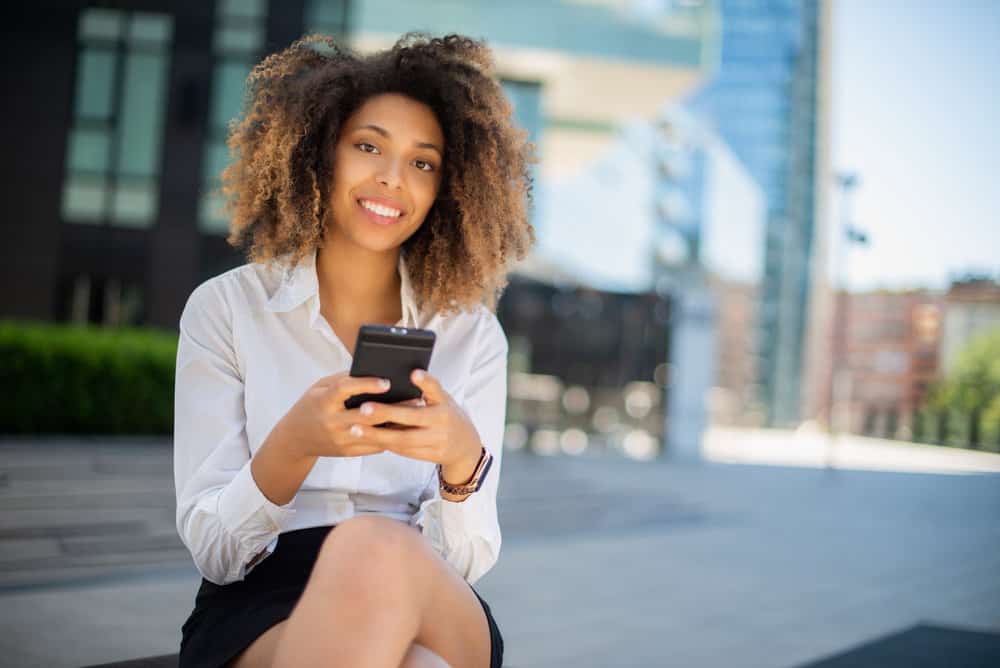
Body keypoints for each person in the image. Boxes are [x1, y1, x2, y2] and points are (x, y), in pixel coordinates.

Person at [173, 33, 534, 668]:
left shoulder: (472, 337)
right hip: (263, 598)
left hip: (429, 590)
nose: (392, 179)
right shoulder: (226, 309)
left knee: (376, 546)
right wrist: (295, 442)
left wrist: (459, 459)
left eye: (423, 162)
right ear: (319, 154)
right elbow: (217, 553)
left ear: (447, 188)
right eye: (367, 146)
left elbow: (467, 562)